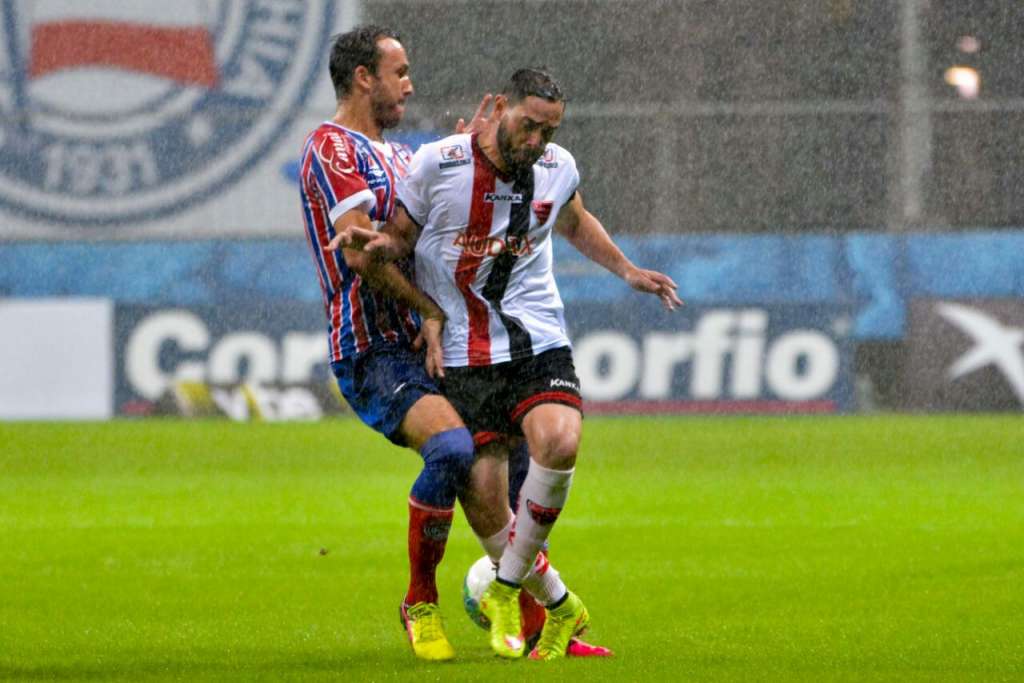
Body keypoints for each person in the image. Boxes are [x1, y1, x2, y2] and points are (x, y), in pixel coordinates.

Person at [333, 67, 682, 659]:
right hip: (466, 354)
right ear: (500, 108)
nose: (536, 142)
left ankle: (504, 588)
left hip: (538, 339)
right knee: (490, 500)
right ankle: (555, 605)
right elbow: (400, 238)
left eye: (548, 131)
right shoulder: (439, 163)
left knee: (561, 442)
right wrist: (380, 247)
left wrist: (627, 270)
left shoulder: (556, 166)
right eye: (528, 126)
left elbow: (573, 219)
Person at [301, 30, 606, 662]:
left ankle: (541, 616)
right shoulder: (332, 150)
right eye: (400, 71)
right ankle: (421, 602)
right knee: (452, 450)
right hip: (376, 346)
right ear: (363, 78)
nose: (410, 84)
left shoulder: (400, 155)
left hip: (434, 341)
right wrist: (430, 310)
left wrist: (474, 153)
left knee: (512, 470)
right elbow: (363, 255)